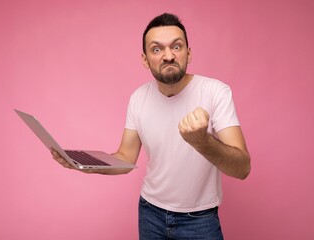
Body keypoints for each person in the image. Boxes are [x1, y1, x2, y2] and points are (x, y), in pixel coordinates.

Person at [51, 13, 251, 240]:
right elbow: (126, 158)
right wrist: (82, 164)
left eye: (177, 46)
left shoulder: (216, 92)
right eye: (157, 49)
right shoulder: (138, 97)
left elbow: (242, 168)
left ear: (189, 53)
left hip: (200, 219)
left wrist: (202, 141)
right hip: (150, 212)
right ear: (145, 59)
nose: (168, 56)